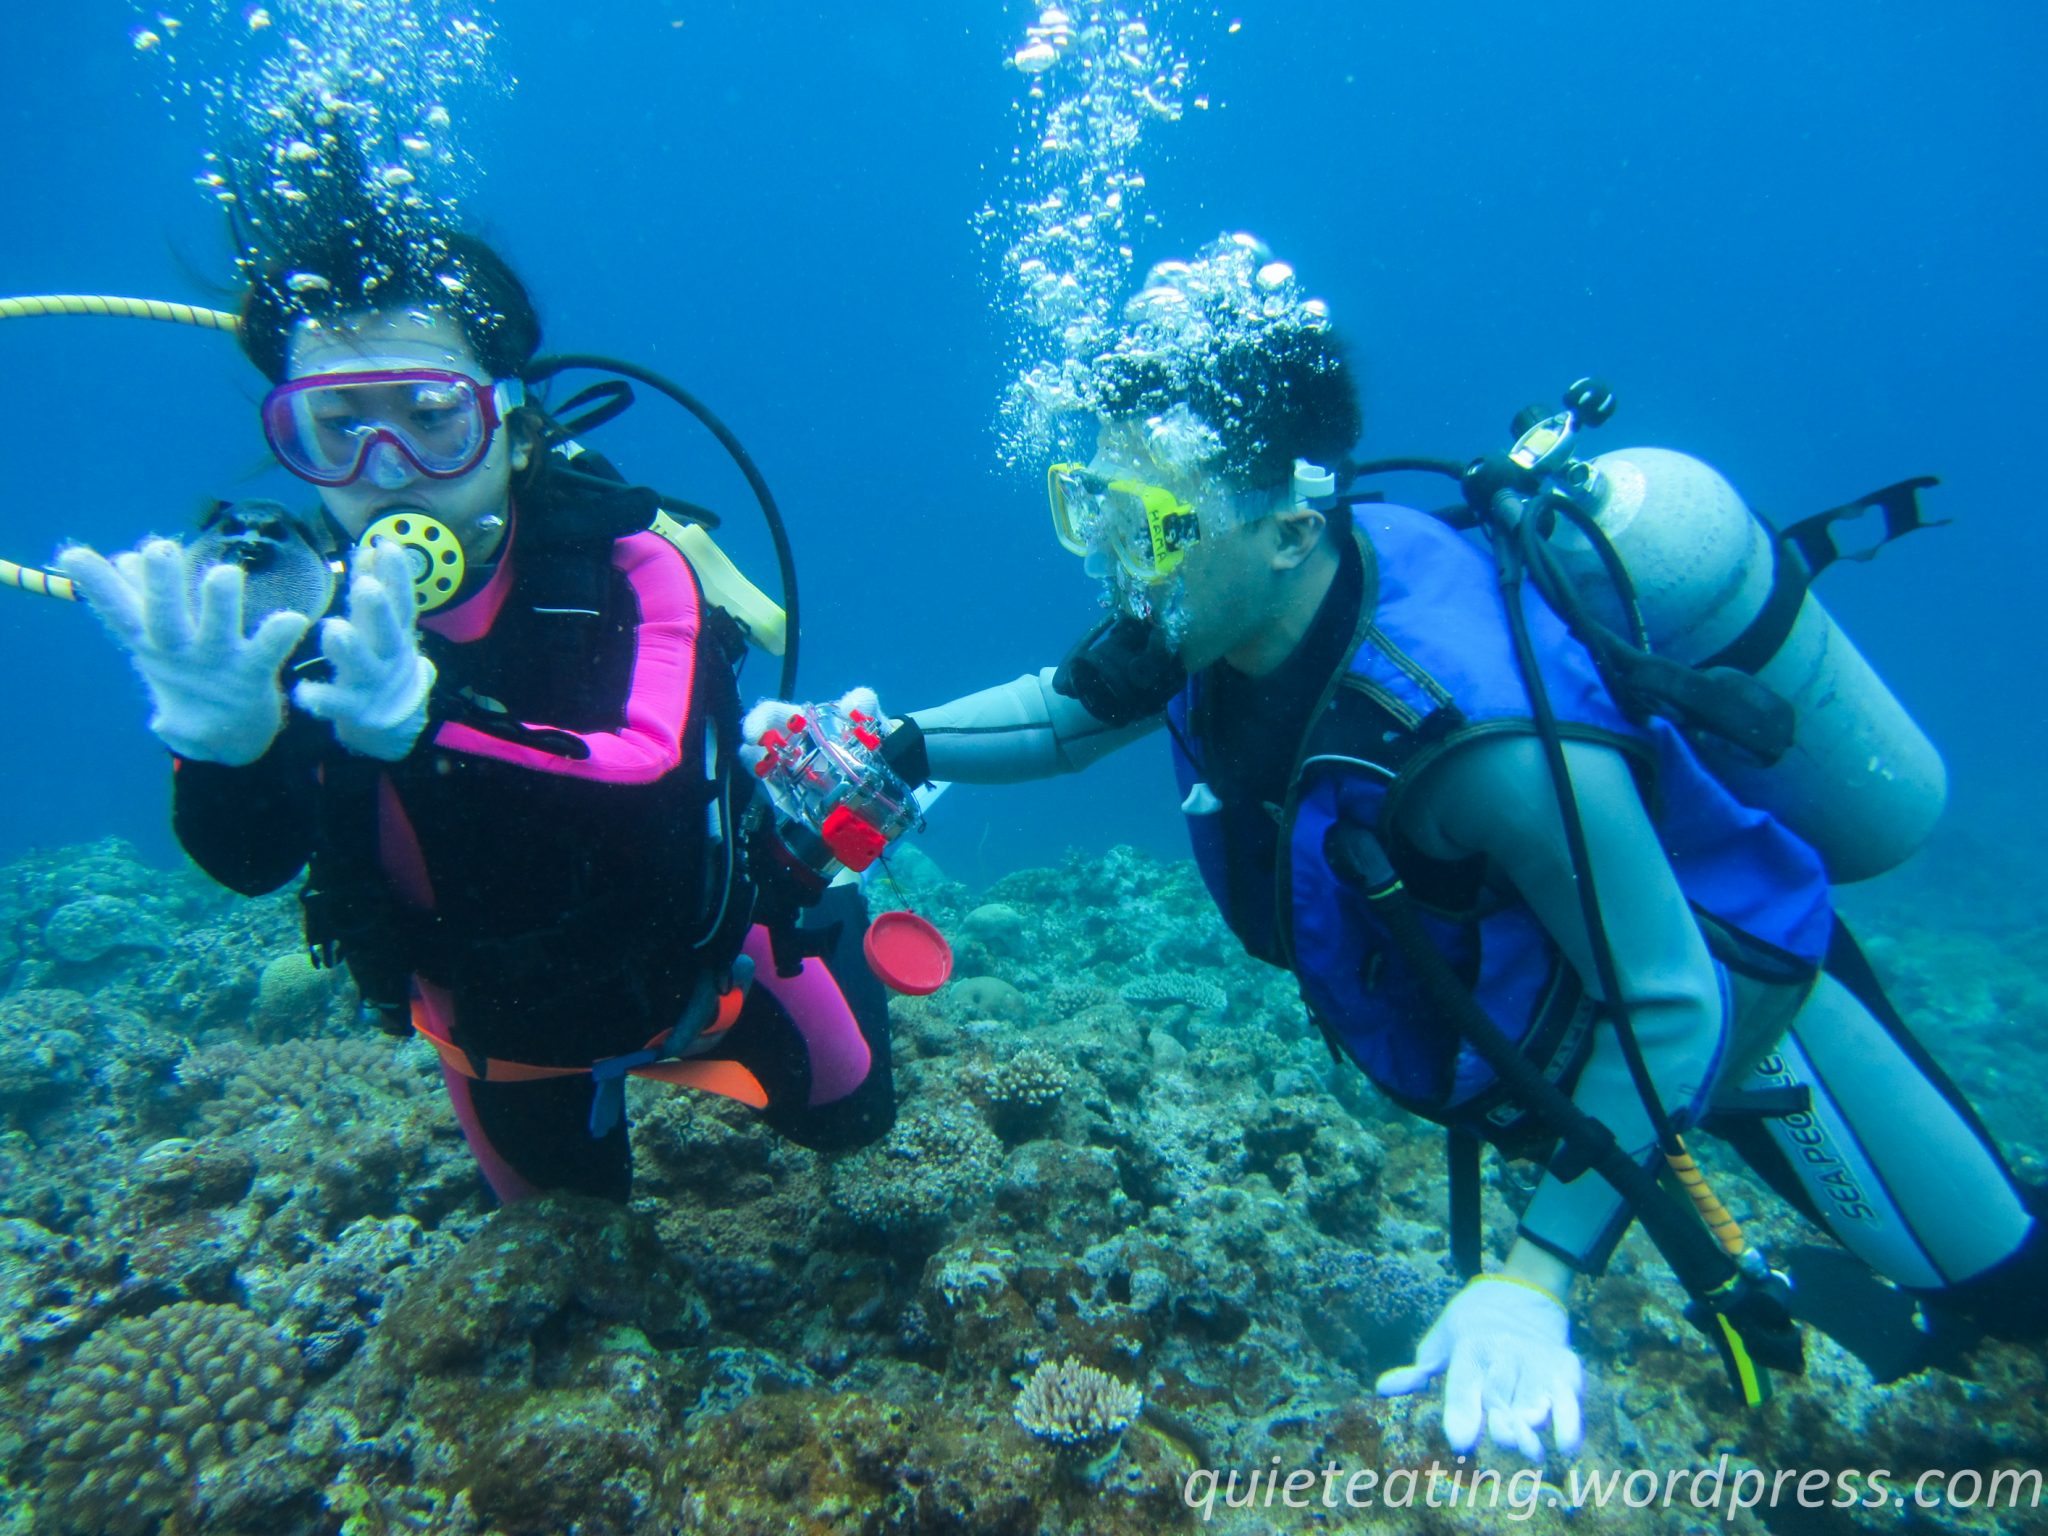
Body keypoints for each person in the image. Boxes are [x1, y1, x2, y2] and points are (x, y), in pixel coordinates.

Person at [787, 235, 2046, 1458]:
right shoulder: (1225, 612)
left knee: (1999, 1293)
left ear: (1289, 529)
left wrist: (1532, 1285)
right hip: (1572, 1035)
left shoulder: (1476, 736)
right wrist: (885, 746)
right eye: (1098, 514)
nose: (1123, 568)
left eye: (1155, 526)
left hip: (1747, 1006)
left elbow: (1666, 1003)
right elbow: (1068, 714)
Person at [58, 177, 892, 1206]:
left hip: (711, 971)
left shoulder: (633, 567)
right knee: (558, 1240)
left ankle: (832, 905)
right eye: (335, 428)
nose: (387, 470)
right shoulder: (280, 616)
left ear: (512, 426)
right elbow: (250, 864)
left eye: (430, 418)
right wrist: (223, 752)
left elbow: (649, 774)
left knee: (857, 1125)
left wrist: (424, 726)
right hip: (495, 1033)